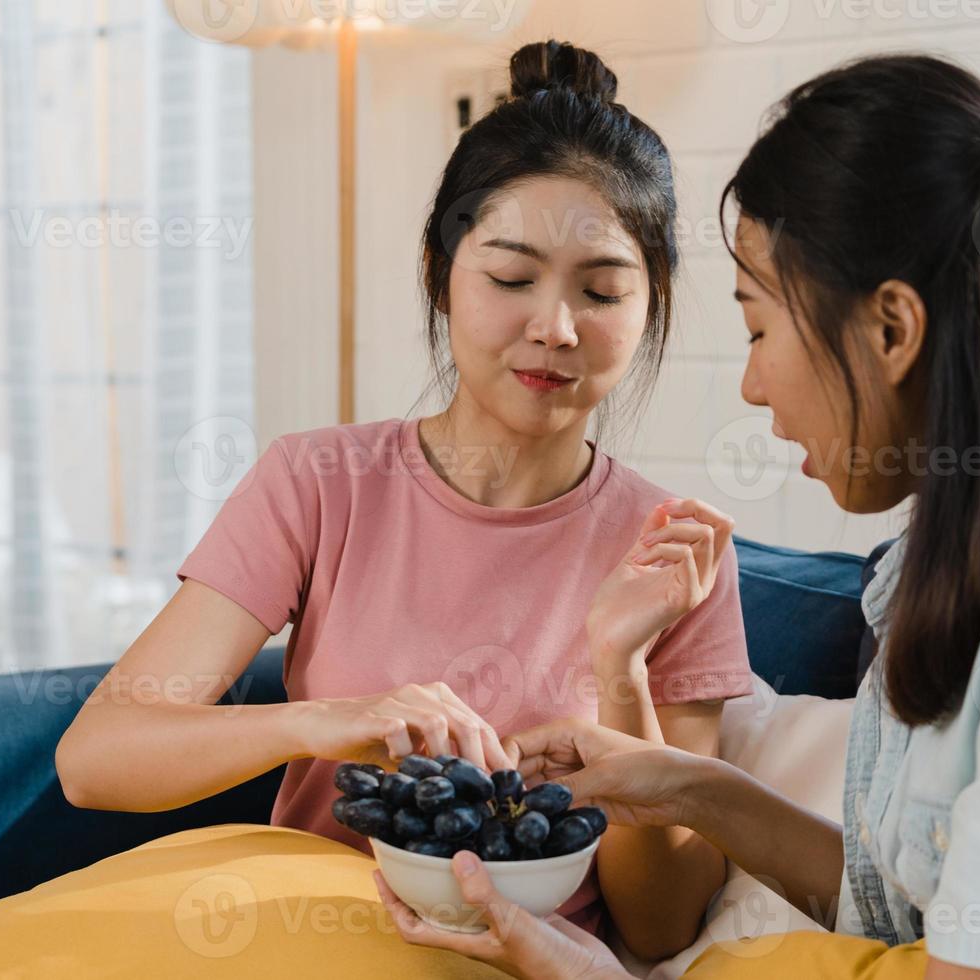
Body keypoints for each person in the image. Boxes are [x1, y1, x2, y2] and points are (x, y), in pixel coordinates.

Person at [375, 53, 980, 980]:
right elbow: (905, 911)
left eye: (762, 327)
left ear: (892, 331)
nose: (751, 383)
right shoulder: (978, 566)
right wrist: (687, 787)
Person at [55, 39, 754, 959]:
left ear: (648, 304)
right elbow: (96, 758)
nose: (554, 328)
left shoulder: (674, 553)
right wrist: (324, 722)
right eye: (509, 278)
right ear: (440, 273)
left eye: (604, 291)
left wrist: (622, 677)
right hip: (307, 940)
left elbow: (660, 926)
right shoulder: (317, 484)